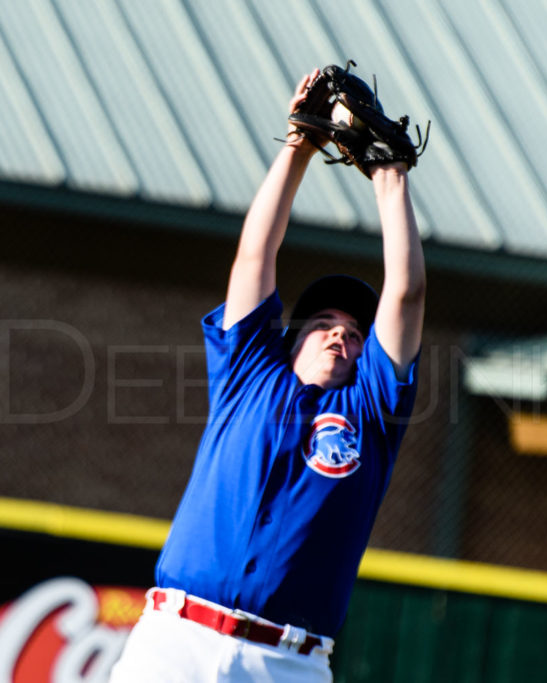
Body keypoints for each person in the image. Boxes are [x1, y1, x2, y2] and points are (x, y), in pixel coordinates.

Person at [109, 68, 426, 683]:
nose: (342, 333)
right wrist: (298, 148)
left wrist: (391, 180)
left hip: (286, 663)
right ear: (291, 336)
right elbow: (256, 253)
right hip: (176, 643)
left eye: (356, 333)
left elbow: (407, 294)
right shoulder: (249, 373)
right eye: (325, 322)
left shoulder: (372, 413)